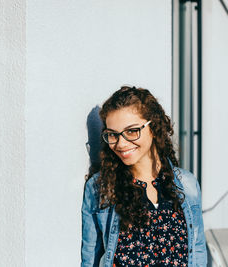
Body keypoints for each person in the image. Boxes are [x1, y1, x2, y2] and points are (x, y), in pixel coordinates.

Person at [81, 86, 207, 267]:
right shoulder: (100, 187)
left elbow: (198, 250)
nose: (121, 144)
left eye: (132, 131)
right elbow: (89, 258)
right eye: (113, 135)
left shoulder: (187, 184)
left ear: (154, 127)